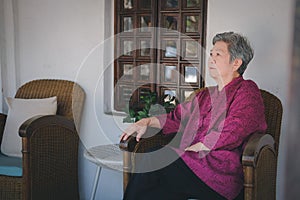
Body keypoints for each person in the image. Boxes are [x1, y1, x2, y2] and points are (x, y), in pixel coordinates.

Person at [120, 32, 267, 200]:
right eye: (211, 54)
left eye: (218, 54)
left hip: (220, 173)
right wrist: (148, 121)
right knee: (157, 187)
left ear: (236, 63)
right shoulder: (204, 95)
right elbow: (177, 118)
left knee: (155, 158)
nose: (211, 59)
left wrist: (204, 144)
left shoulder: (247, 90)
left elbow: (238, 127)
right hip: (191, 163)